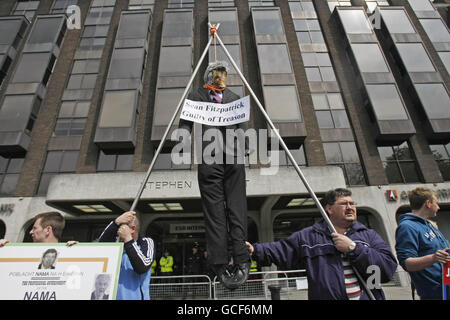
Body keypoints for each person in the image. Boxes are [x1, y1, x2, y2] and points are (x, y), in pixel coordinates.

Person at [246, 188, 398, 300]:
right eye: (344, 204)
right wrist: (253, 249)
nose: (350, 207)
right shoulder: (309, 237)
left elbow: (386, 271)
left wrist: (353, 249)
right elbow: (280, 250)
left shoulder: (369, 235)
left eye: (352, 203)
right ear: (329, 209)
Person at [179, 61, 251, 289]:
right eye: (217, 73)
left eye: (224, 74)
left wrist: (246, 144)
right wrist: (183, 137)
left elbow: (242, 125)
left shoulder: (234, 97)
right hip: (209, 156)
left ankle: (241, 257)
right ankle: (219, 261)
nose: (221, 77)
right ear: (208, 75)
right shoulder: (196, 96)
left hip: (234, 156)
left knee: (237, 207)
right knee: (214, 210)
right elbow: (185, 122)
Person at [395, 187, 450, 300]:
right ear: (428, 204)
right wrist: (433, 258)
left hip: (446, 289)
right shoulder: (407, 227)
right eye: (436, 203)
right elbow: (407, 263)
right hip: (435, 294)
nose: (438, 207)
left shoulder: (429, 225)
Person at [98, 211, 154, 300]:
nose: (118, 230)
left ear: (133, 229)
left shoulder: (146, 242)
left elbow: (142, 267)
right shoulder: (116, 247)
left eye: (121, 228)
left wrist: (128, 239)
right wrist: (116, 223)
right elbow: (100, 246)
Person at [1, 211, 71, 246]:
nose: (31, 232)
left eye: (35, 228)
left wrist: (76, 250)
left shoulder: (68, 253)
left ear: (48, 230)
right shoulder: (22, 253)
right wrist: (6, 250)